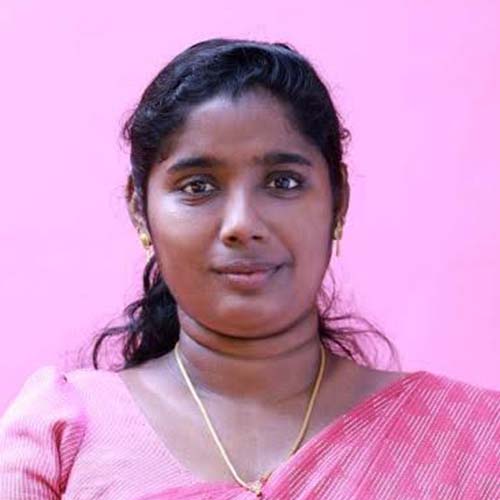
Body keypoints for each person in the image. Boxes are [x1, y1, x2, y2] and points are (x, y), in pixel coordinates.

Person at [0, 38, 498, 500]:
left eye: (283, 182)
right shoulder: (59, 433)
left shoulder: (476, 440)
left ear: (338, 201)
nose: (242, 224)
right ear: (139, 210)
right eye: (197, 186)